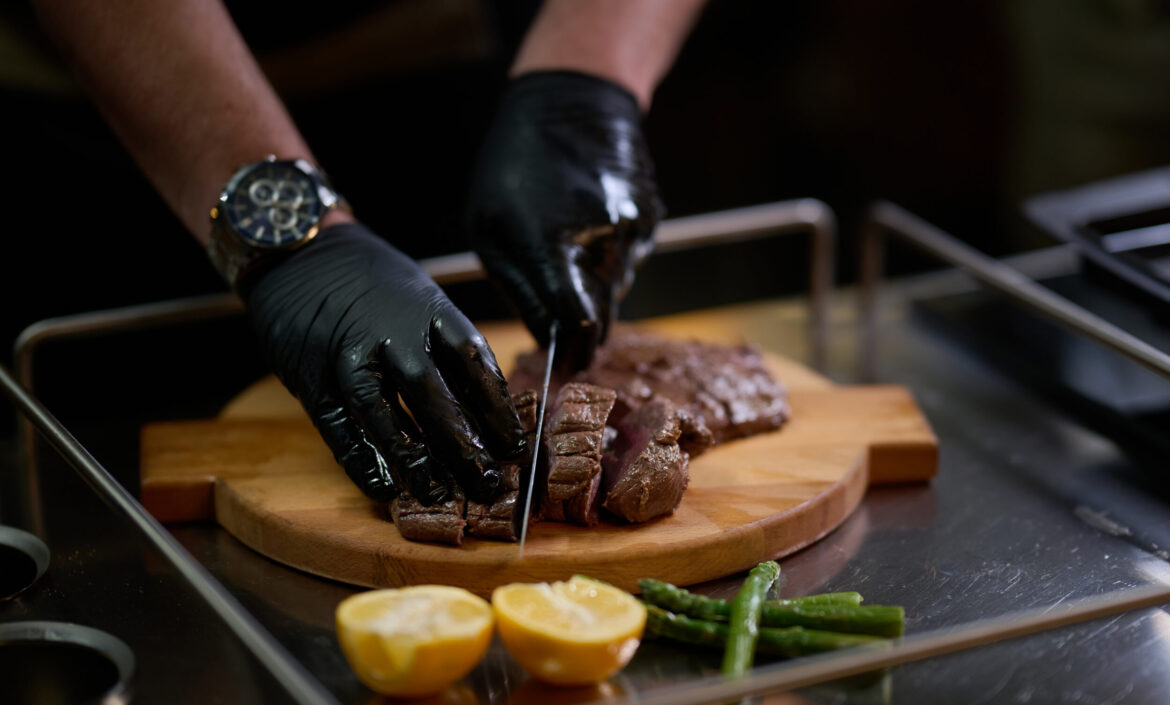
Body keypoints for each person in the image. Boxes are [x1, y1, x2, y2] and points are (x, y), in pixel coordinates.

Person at [30, 0, 707, 508]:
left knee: (463, 395)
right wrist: (283, 231)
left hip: (457, 89)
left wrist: (588, 78)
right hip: (137, 130)